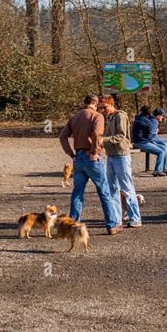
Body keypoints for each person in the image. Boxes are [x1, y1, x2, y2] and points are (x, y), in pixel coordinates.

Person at [59, 94, 122, 236]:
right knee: (104, 191)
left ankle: (73, 225)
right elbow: (97, 134)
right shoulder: (97, 116)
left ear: (84, 102)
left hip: (78, 157)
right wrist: (95, 151)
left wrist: (71, 154)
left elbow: (62, 136)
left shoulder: (74, 117)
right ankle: (112, 225)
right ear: (95, 103)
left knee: (78, 192)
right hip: (91, 157)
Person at [99, 95, 142, 228]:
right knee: (112, 189)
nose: (102, 110)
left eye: (104, 107)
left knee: (127, 188)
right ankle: (117, 218)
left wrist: (103, 140)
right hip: (111, 155)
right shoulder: (109, 118)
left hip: (121, 155)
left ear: (111, 104)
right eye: (100, 108)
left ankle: (135, 218)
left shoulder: (120, 116)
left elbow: (122, 136)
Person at [132, 105, 167, 176]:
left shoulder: (137, 118)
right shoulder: (148, 122)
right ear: (148, 113)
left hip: (138, 141)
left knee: (163, 148)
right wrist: (154, 143)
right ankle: (158, 170)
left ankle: (162, 169)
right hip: (142, 143)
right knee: (161, 151)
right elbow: (150, 136)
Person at [149, 108, 167, 175]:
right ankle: (165, 167)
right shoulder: (153, 121)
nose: (163, 118)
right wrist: (153, 142)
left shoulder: (154, 121)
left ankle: (166, 166)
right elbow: (150, 135)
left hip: (155, 137)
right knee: (166, 145)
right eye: (162, 116)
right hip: (152, 139)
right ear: (158, 116)